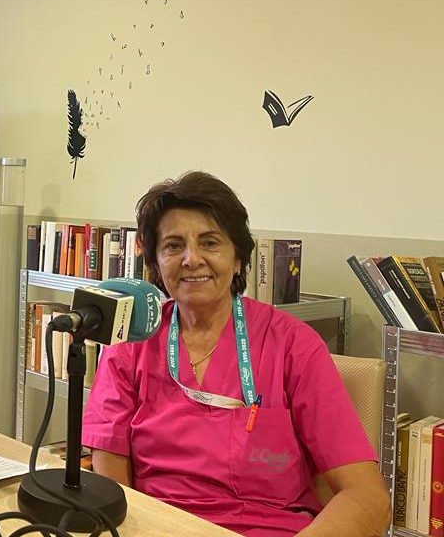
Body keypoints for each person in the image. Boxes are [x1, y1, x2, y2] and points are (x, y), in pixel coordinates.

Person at [82, 171, 390, 536]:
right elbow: (113, 486)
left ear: (239, 257)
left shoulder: (293, 345)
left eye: (210, 243)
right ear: (156, 263)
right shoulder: (131, 344)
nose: (191, 259)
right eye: (173, 246)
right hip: (157, 527)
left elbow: (367, 497)